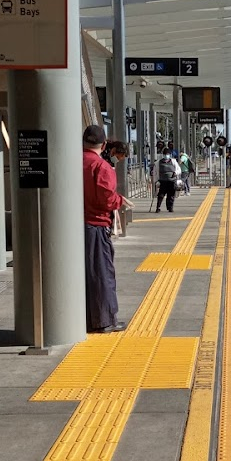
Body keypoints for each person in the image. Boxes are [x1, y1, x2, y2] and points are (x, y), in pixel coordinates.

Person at [82, 127, 131, 333]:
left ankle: (83, 318)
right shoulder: (101, 167)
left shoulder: (71, 161)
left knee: (83, 276)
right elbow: (106, 198)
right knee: (102, 274)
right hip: (96, 225)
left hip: (74, 227)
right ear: (103, 146)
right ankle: (104, 320)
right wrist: (121, 200)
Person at [155, 147, 178, 213]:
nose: (166, 155)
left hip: (171, 181)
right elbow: (155, 172)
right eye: (165, 154)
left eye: (167, 154)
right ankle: (158, 207)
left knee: (171, 195)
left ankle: (170, 207)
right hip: (163, 181)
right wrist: (156, 181)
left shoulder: (173, 161)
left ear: (170, 154)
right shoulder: (158, 162)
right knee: (161, 195)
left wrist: (175, 173)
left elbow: (178, 169)